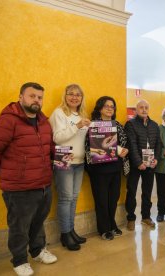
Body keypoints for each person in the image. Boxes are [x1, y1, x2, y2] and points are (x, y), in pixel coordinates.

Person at [0, 82, 57, 276]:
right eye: (32, 96)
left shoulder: (44, 121)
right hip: (19, 188)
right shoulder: (6, 121)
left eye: (39, 97)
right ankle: (19, 260)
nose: (36, 100)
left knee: (38, 222)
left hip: (44, 183)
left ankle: (37, 250)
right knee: (19, 227)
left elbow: (50, 149)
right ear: (21, 97)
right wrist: (9, 174)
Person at [49, 84, 90, 251]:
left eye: (78, 95)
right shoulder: (59, 113)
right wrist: (78, 126)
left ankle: (71, 230)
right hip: (64, 160)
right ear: (65, 96)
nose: (74, 97)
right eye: (71, 94)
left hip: (79, 162)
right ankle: (65, 234)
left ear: (82, 98)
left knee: (73, 198)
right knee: (65, 199)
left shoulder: (81, 115)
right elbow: (58, 138)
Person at [85, 96, 130, 240]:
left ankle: (112, 224)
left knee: (113, 199)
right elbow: (90, 145)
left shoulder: (117, 124)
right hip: (99, 169)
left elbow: (124, 143)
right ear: (100, 108)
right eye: (106, 106)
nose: (110, 108)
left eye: (112, 106)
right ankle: (104, 229)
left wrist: (125, 151)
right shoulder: (93, 125)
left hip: (115, 168)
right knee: (101, 200)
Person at [124, 99, 161, 230]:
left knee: (147, 192)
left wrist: (156, 158)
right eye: (141, 107)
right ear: (136, 109)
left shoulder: (154, 125)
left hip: (150, 165)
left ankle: (146, 216)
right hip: (135, 165)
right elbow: (131, 145)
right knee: (132, 192)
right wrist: (138, 162)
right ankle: (130, 218)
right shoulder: (130, 124)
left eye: (146, 107)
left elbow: (158, 144)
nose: (144, 109)